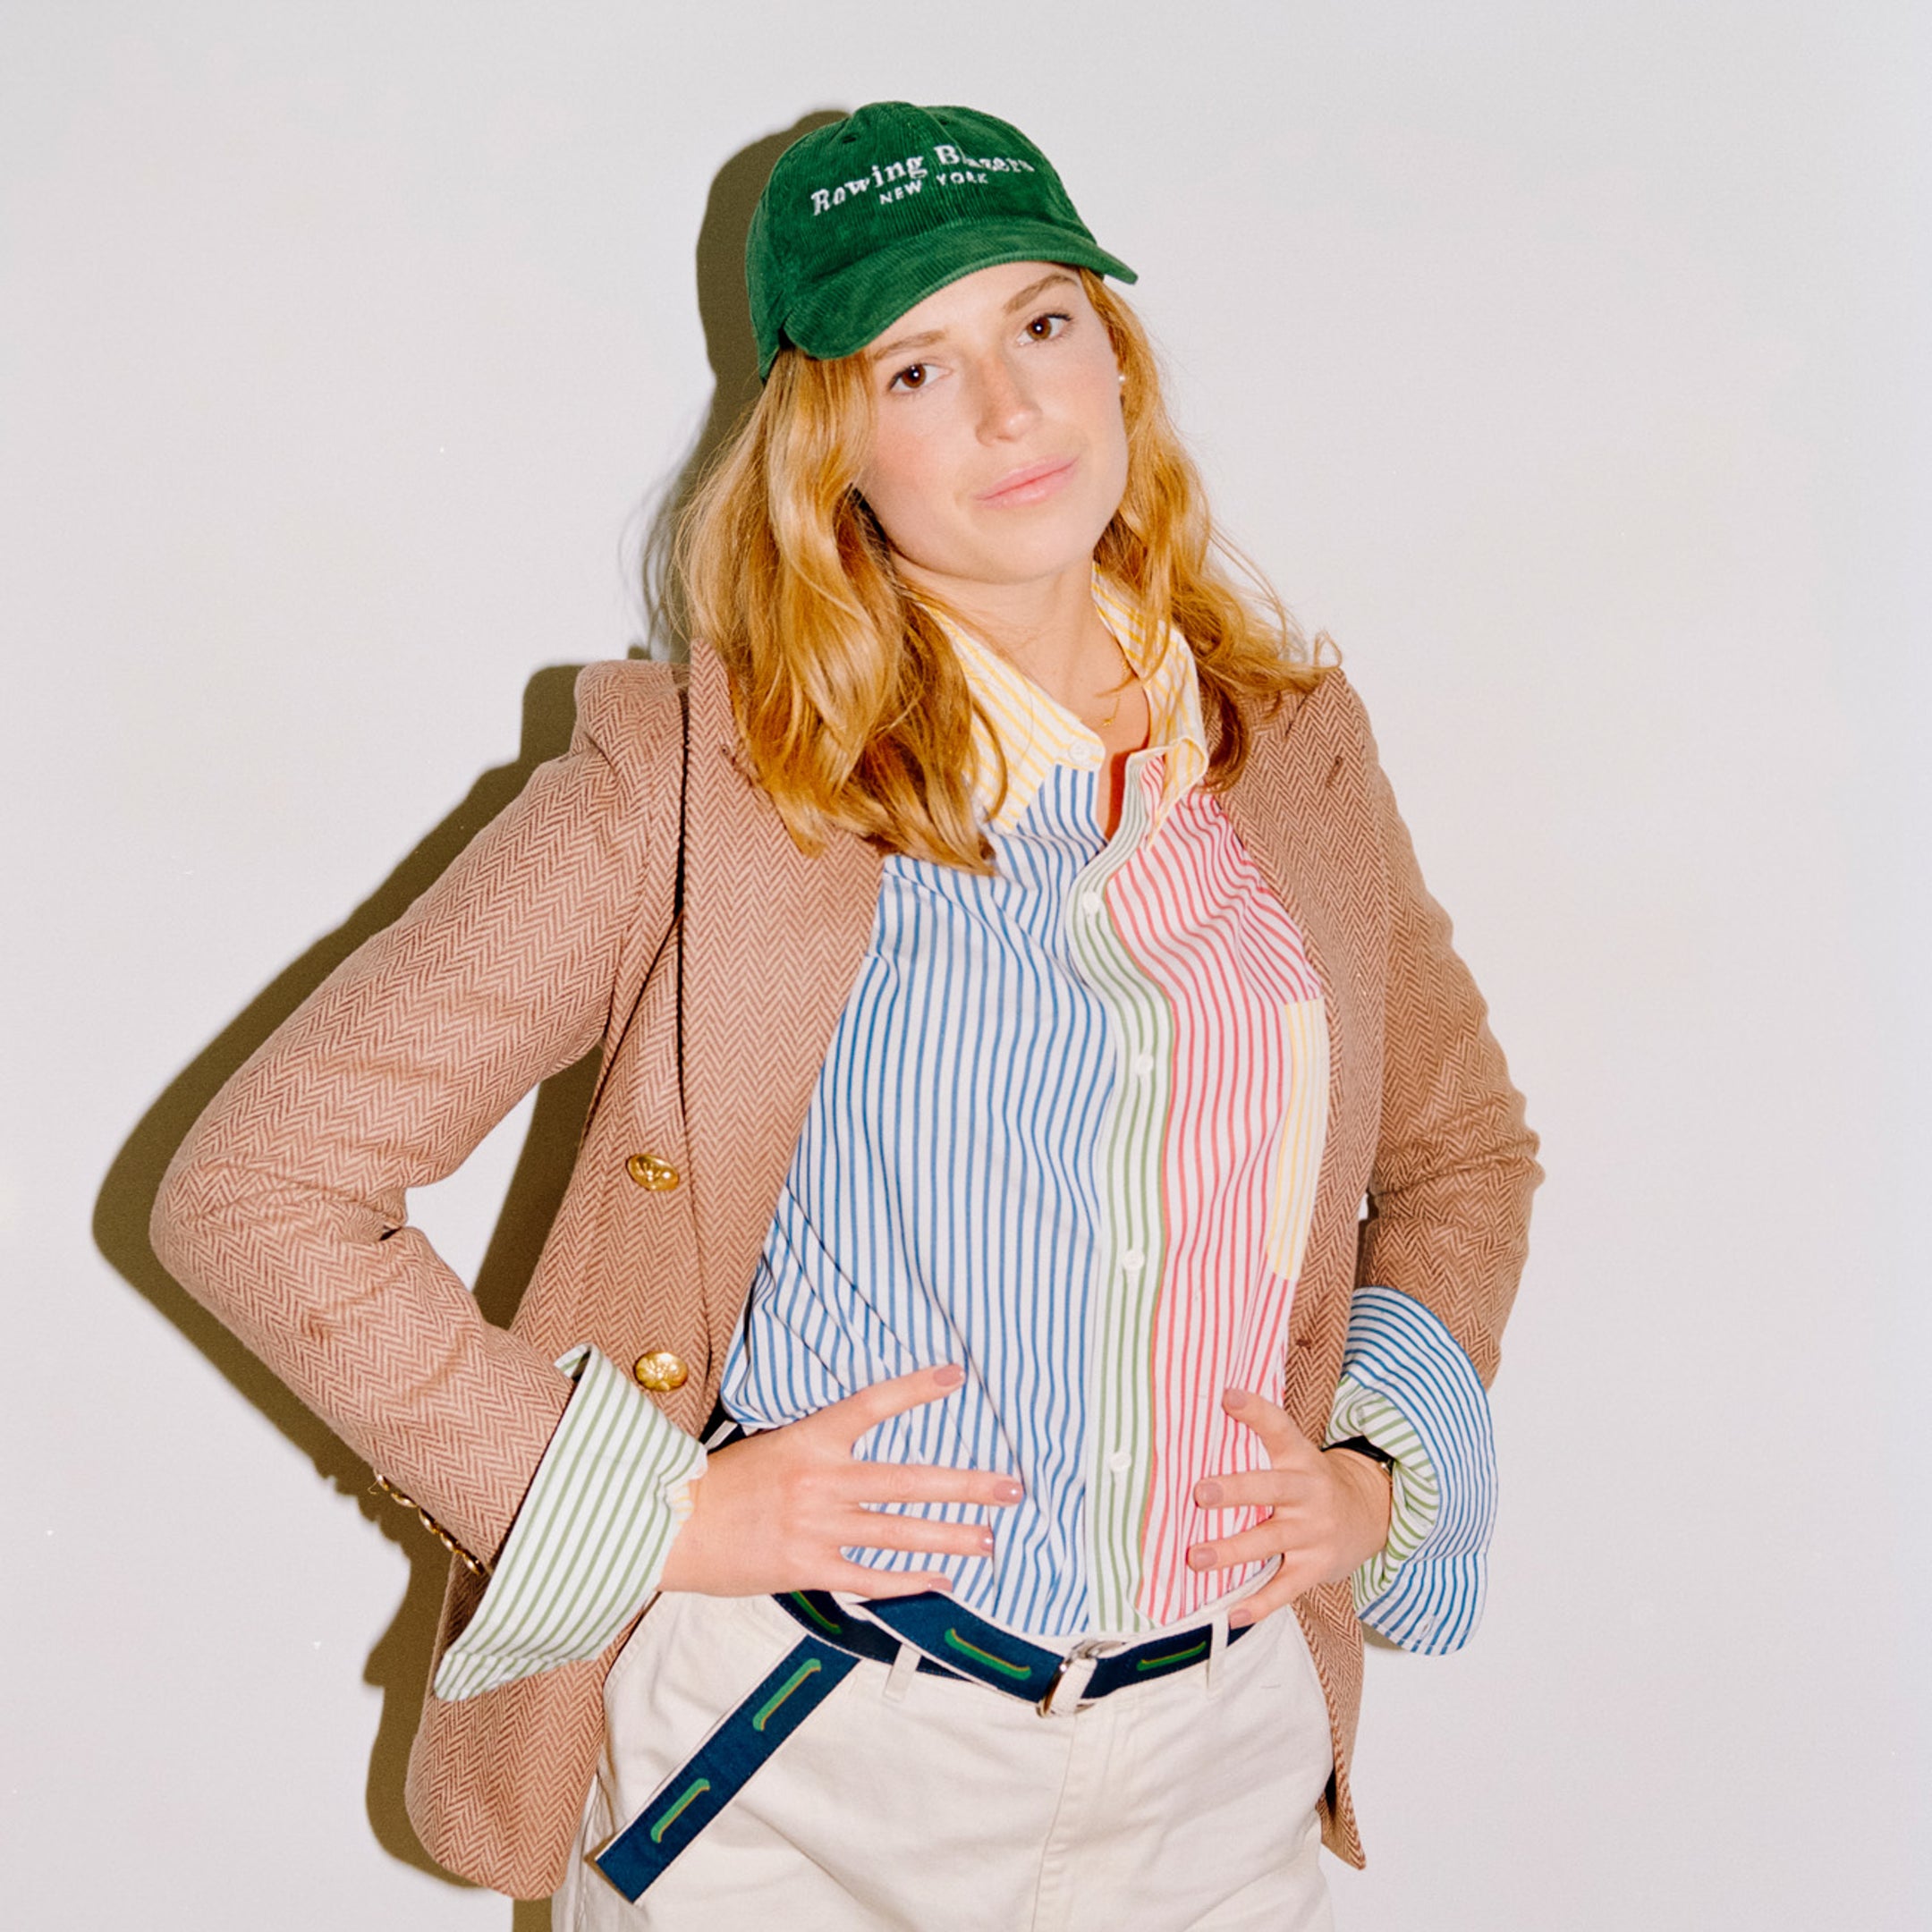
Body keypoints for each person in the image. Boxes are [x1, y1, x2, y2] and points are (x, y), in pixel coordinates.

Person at [153, 100, 1538, 1930]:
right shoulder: (698, 789)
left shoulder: (1292, 760)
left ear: (1117, 359)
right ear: (832, 445)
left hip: (1221, 1769)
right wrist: (649, 1515)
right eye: (917, 368)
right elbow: (258, 1188)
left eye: (1044, 322)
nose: (1011, 408)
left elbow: (1462, 1155)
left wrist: (1375, 1478)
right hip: (804, 1770)